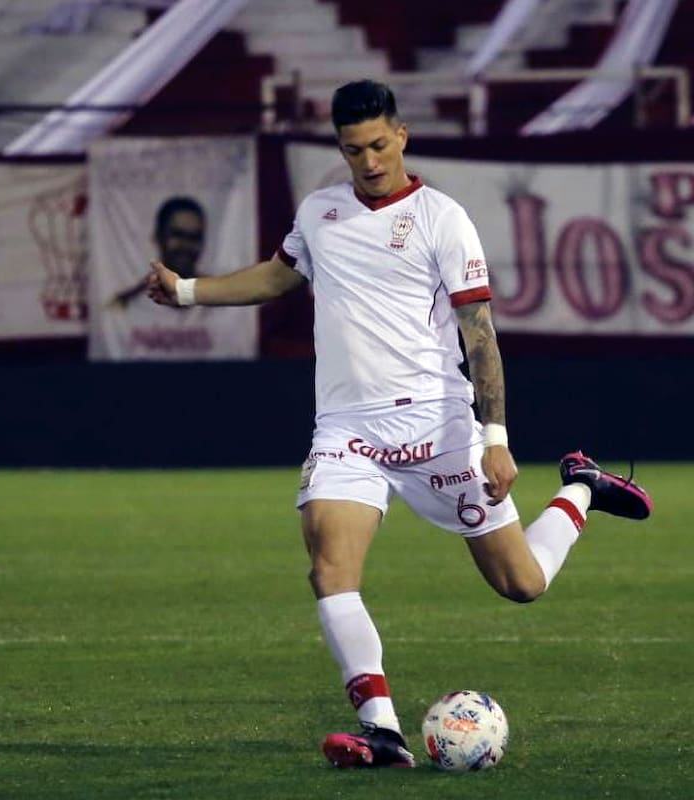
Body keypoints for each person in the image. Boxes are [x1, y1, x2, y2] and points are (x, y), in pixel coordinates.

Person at [146, 80, 652, 769]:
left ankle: (583, 487)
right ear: (341, 148)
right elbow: (277, 276)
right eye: (355, 149)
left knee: (522, 583)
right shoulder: (320, 212)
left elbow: (481, 335)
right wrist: (186, 291)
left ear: (402, 135)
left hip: (439, 428)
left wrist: (496, 440)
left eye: (380, 145)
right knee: (329, 567)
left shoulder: (442, 219)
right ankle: (382, 730)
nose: (370, 160)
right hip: (349, 430)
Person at [107, 195, 205, 309]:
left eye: (194, 237)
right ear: (158, 237)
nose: (186, 245)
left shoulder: (219, 301)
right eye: (177, 235)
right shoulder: (127, 304)